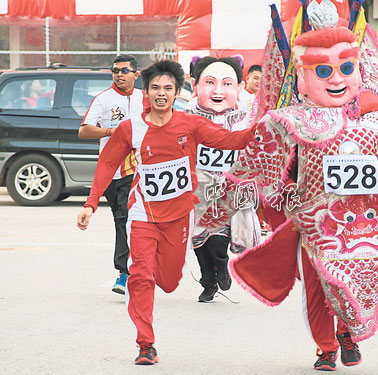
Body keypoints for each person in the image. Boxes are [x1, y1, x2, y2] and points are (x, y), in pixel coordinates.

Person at [198, 2, 378, 371]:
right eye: (324, 69)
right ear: (303, 74)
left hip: (368, 223)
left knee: (354, 285)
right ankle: (326, 347)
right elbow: (252, 170)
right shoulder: (287, 120)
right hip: (314, 222)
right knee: (318, 289)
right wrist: (217, 214)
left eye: (346, 67)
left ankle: (348, 333)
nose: (337, 78)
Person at [76, 59, 255, 365]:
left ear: (177, 92)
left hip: (180, 216)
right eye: (156, 88)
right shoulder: (130, 128)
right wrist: (90, 204)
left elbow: (230, 140)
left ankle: (157, 274)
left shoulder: (190, 124)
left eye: (168, 88)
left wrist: (263, 129)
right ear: (146, 92)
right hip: (143, 215)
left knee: (169, 282)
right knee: (141, 275)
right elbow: (107, 164)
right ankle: (145, 344)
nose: (161, 93)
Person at [187, 55, 260, 302]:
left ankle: (220, 266)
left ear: (239, 88)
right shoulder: (186, 114)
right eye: (209, 82)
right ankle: (209, 280)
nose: (218, 91)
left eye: (227, 84)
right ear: (195, 85)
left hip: (230, 186)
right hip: (197, 186)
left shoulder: (248, 115)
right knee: (198, 239)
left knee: (218, 237)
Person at [79, 55, 148, 295]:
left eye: (125, 70)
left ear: (135, 75)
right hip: (114, 171)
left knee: (134, 219)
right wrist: (112, 131)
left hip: (143, 171)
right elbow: (84, 130)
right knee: (122, 220)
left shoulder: (145, 98)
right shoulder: (103, 99)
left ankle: (131, 270)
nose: (119, 74)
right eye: (115, 70)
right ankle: (125, 271)